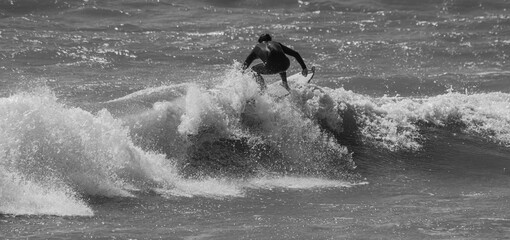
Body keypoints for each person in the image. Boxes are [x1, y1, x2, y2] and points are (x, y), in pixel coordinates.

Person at [242, 33, 308, 91]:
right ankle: (285, 85)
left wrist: (239, 75)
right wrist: (304, 68)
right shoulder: (276, 44)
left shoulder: (257, 47)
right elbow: (296, 54)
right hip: (285, 64)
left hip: (270, 67)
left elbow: (245, 64)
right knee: (280, 59)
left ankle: (263, 89)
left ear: (259, 42)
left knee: (253, 70)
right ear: (270, 40)